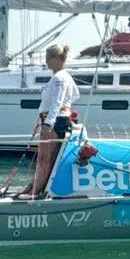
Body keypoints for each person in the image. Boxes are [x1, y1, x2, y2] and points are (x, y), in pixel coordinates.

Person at [23, 44, 80, 198]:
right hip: (57, 119)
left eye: (48, 59)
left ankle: (36, 190)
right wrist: (65, 108)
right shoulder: (65, 76)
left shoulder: (59, 78)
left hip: (54, 121)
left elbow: (57, 102)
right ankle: (36, 186)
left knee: (45, 159)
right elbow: (75, 95)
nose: (46, 62)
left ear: (56, 59)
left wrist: (48, 122)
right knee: (48, 158)